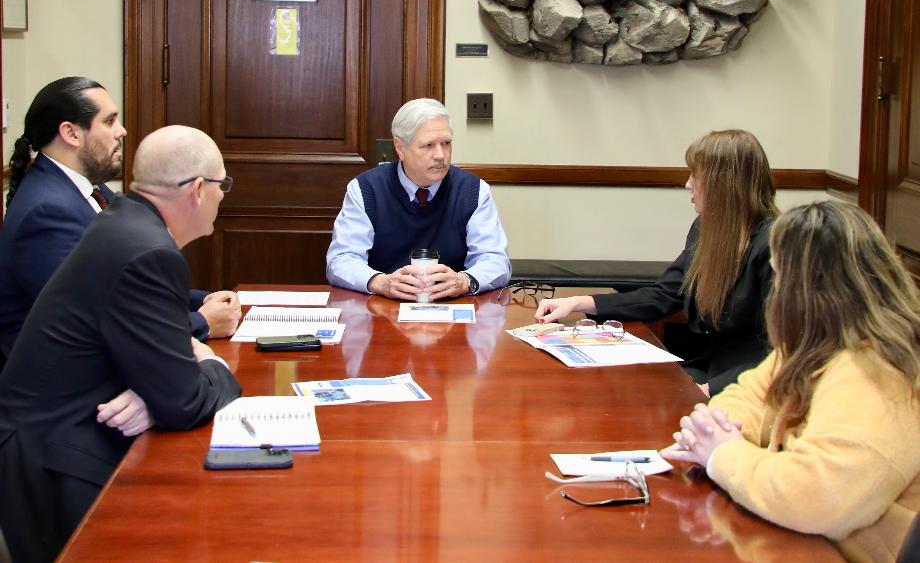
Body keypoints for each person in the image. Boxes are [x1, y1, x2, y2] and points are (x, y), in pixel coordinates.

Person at [0, 125, 243, 563]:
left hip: (62, 432)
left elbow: (163, 379)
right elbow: (184, 401)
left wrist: (156, 391)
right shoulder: (151, 252)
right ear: (197, 190)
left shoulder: (124, 221)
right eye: (221, 185)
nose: (223, 196)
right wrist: (214, 366)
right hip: (59, 462)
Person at [662, 201, 920, 560]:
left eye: (779, 275)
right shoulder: (817, 342)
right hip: (795, 537)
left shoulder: (876, 370)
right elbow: (748, 396)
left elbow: (816, 497)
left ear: (810, 289)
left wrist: (723, 454)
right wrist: (714, 430)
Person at [0, 77, 240, 361]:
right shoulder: (47, 212)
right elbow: (96, 318)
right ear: (71, 133)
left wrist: (202, 300)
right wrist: (202, 321)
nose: (122, 131)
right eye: (109, 121)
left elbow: (124, 286)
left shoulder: (92, 190)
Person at [535, 129, 777, 395]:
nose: (688, 184)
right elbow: (663, 295)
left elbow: (784, 353)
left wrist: (710, 389)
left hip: (746, 386)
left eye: (695, 175)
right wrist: (579, 303)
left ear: (723, 183)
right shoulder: (706, 229)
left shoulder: (774, 246)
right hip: (704, 368)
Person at [326, 98, 511, 300]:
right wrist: (380, 282)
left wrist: (465, 281)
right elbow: (341, 260)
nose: (440, 155)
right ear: (400, 148)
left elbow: (495, 260)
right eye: (428, 145)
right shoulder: (366, 189)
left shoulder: (473, 191)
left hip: (453, 306)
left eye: (446, 143)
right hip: (382, 306)